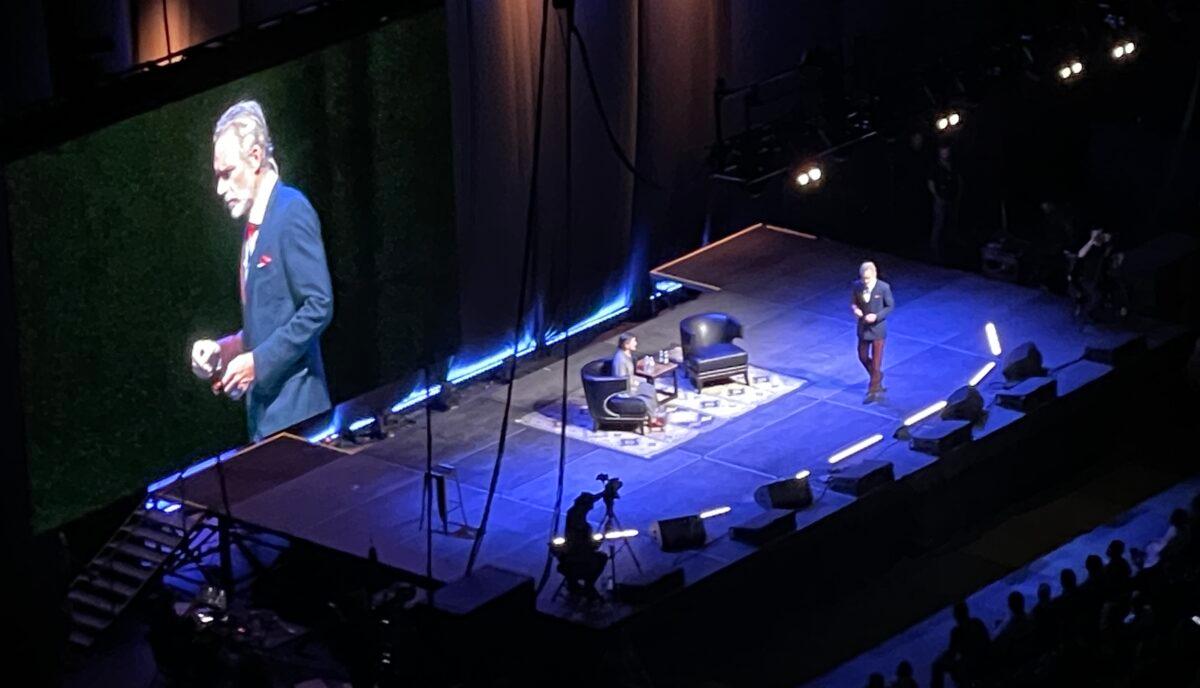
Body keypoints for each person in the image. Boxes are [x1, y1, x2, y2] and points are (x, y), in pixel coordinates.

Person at [190, 101, 334, 441]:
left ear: (255, 158)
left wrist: (258, 362)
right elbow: (272, 318)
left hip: (299, 417)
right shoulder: (255, 228)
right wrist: (225, 351)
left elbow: (318, 306)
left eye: (227, 173)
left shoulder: (290, 210)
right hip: (268, 422)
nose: (219, 189)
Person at [850, 261, 894, 403]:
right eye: (863, 278)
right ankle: (877, 377)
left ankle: (872, 389)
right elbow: (854, 302)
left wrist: (876, 316)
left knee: (876, 363)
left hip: (878, 329)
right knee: (862, 356)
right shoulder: (857, 286)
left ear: (874, 275)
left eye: (868, 278)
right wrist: (855, 310)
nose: (865, 281)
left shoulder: (883, 288)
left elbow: (889, 306)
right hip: (863, 327)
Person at [556, 492, 609, 599]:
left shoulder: (572, 513)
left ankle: (579, 586)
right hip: (578, 559)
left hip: (572, 555)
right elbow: (590, 547)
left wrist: (603, 493)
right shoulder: (580, 528)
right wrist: (603, 536)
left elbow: (590, 499)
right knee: (601, 558)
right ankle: (588, 586)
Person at [611, 333, 667, 427]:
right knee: (645, 396)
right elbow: (620, 379)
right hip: (625, 390)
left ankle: (653, 413)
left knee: (649, 388)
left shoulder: (627, 355)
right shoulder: (619, 360)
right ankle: (651, 418)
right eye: (634, 342)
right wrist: (634, 385)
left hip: (632, 384)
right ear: (626, 345)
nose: (636, 343)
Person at [931, 600, 990, 688]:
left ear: (956, 615)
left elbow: (952, 654)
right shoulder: (977, 622)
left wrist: (943, 656)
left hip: (971, 668)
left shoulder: (957, 632)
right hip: (985, 662)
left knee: (937, 666)